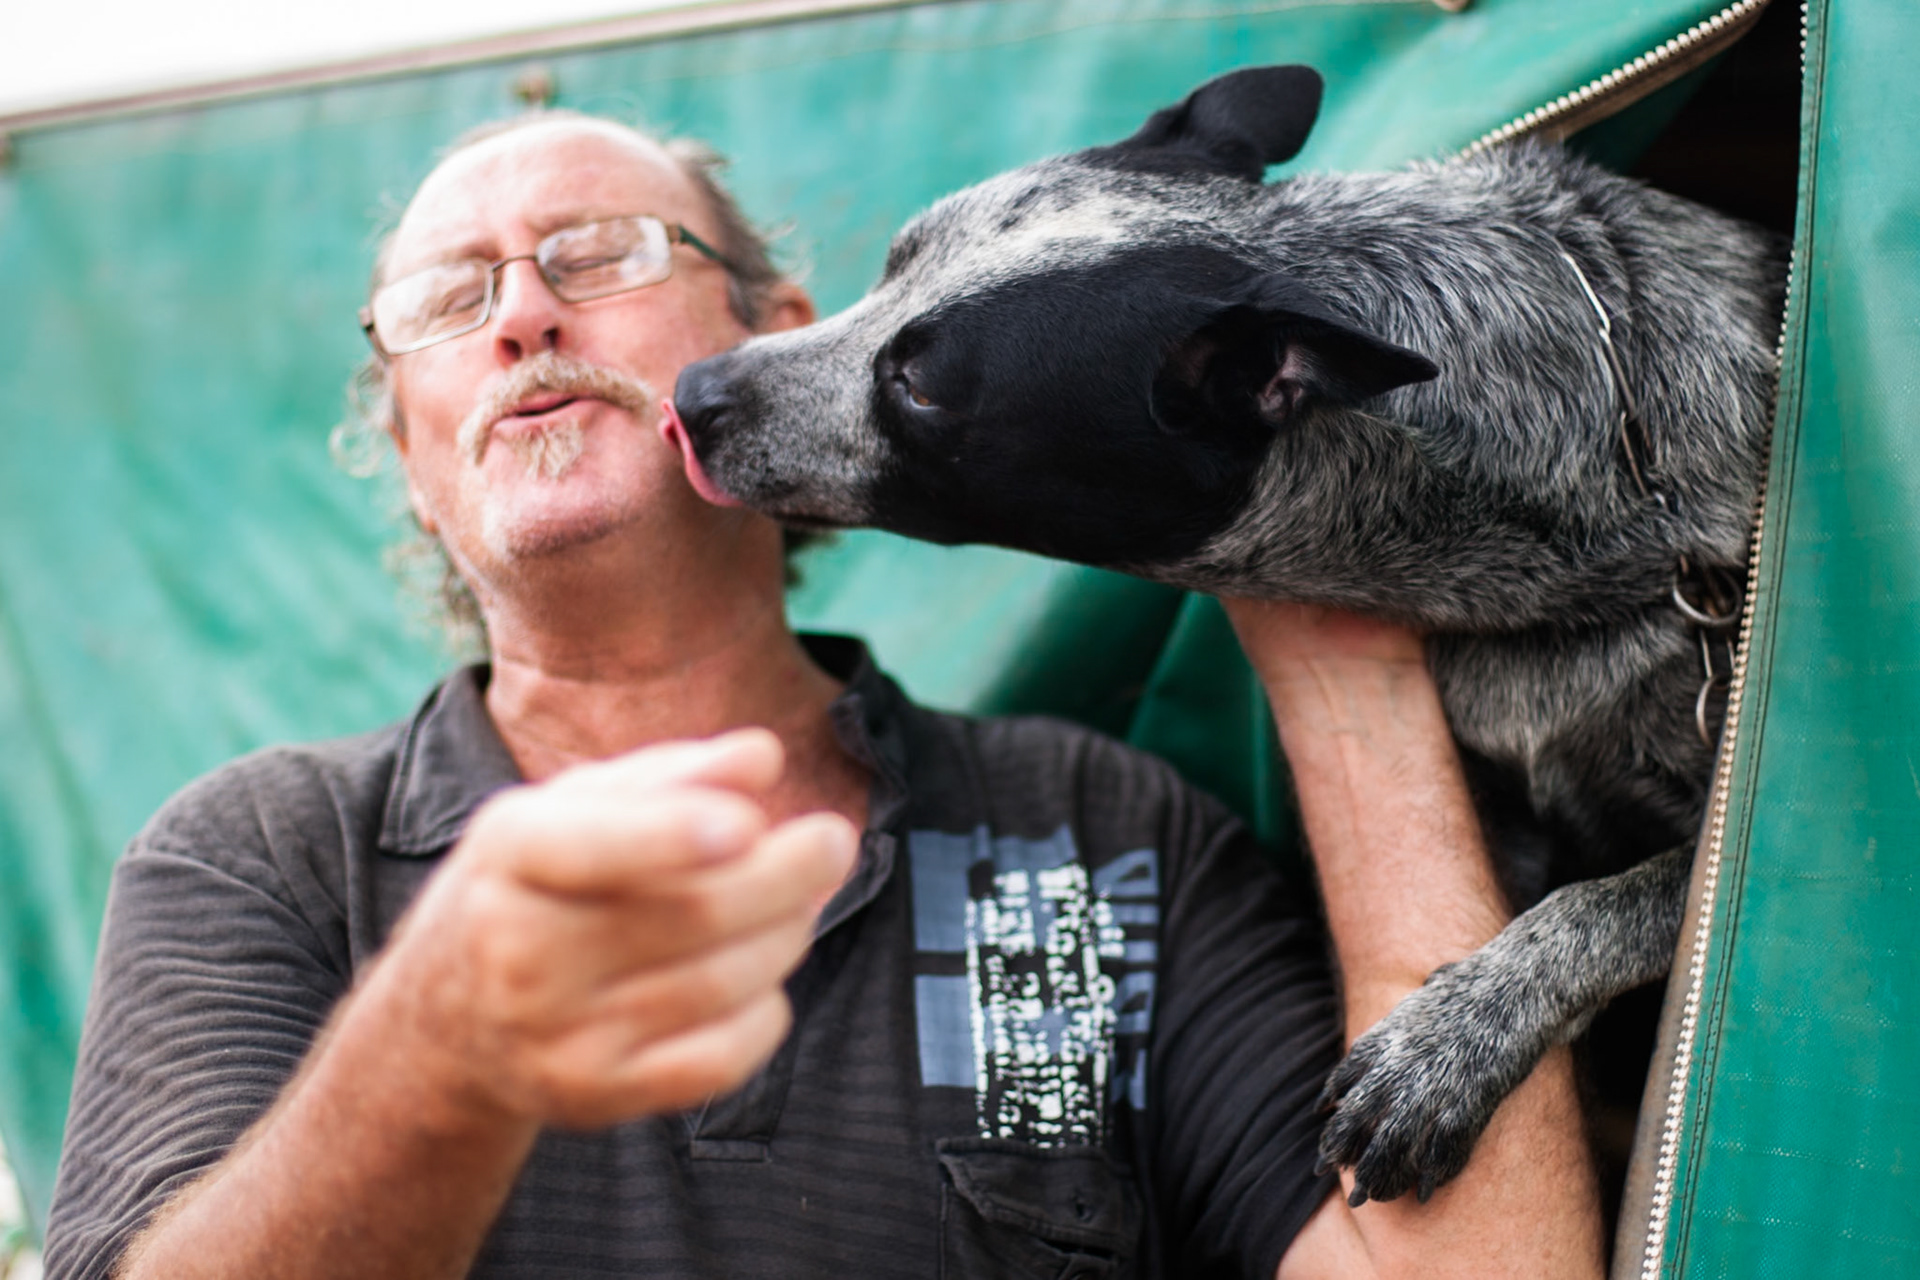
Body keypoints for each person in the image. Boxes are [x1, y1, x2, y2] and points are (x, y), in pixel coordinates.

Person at [44, 111, 1602, 1279]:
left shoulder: (1098, 831)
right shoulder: (257, 855)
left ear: (792, 343)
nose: (522, 315)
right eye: (447, 303)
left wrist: (1344, 661)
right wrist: (443, 1054)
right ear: (410, 453)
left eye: (599, 253)